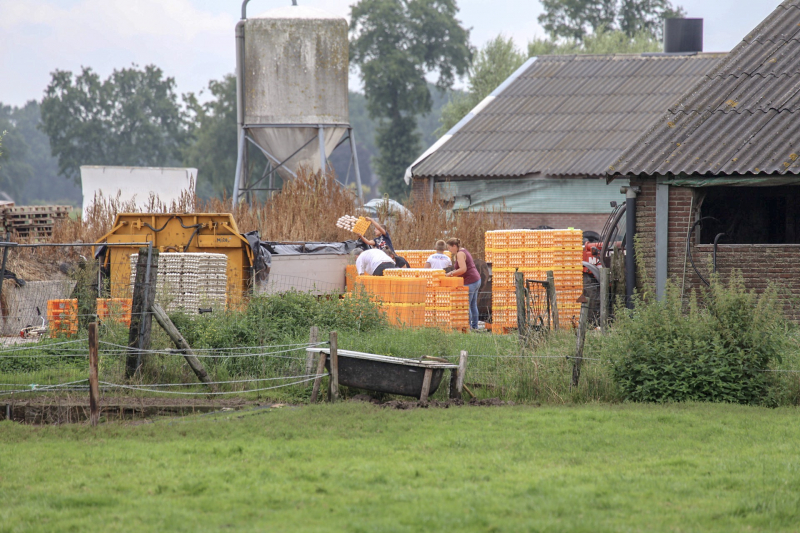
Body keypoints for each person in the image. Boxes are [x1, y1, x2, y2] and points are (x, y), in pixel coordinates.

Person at [445, 238, 481, 330]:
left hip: (470, 281)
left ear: (454, 246)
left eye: (449, 248)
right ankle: (475, 327)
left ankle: (468, 327)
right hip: (476, 279)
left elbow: (463, 269)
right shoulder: (463, 250)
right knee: (473, 305)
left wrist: (451, 273)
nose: (449, 250)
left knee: (466, 305)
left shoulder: (460, 254)